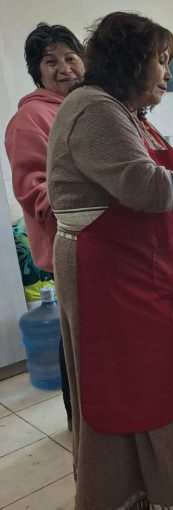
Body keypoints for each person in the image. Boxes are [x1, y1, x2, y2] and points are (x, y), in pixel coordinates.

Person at [47, 12, 173, 508]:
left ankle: (172, 481)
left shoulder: (130, 114)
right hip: (110, 275)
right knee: (125, 384)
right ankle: (129, 491)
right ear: (132, 61)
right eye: (161, 61)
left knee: (160, 376)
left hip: (144, 269)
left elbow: (171, 197)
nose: (166, 72)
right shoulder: (92, 109)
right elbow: (148, 188)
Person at [5, 22, 85, 432]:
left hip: (99, 246)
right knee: (74, 344)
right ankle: (79, 427)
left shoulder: (89, 106)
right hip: (70, 246)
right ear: (38, 72)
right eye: (50, 61)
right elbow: (34, 192)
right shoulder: (30, 118)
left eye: (70, 57)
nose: (64, 68)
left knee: (85, 343)